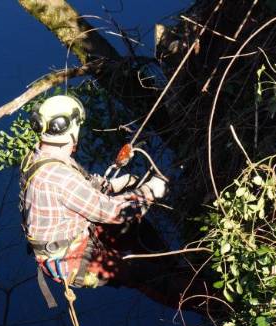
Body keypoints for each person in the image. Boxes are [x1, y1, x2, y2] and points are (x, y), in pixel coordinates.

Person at [20, 94, 193, 310]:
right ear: (70, 127)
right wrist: (150, 191)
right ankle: (205, 300)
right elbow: (113, 212)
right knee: (140, 273)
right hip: (69, 259)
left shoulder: (41, 157)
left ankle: (169, 263)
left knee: (133, 229)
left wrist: (113, 185)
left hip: (68, 237)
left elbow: (79, 186)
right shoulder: (58, 176)